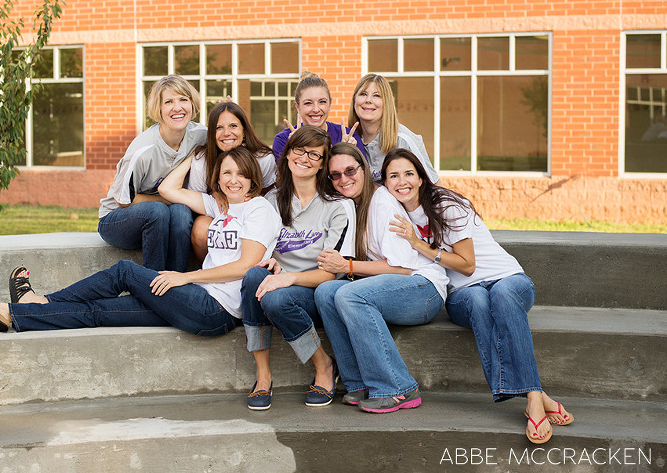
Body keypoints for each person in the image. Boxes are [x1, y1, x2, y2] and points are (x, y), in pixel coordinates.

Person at [0, 147, 281, 341]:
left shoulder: (259, 210)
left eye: (240, 173)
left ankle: (38, 300)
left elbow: (245, 265)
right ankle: (12, 315)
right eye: (226, 173)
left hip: (215, 309)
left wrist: (184, 277)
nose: (233, 179)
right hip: (192, 300)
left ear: (253, 177)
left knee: (125, 271)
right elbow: (168, 189)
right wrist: (192, 155)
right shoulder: (220, 204)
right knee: (99, 312)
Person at [385, 148, 574, 443]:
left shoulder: (446, 204)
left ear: (421, 177)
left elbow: (468, 265)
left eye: (408, 173)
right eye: (393, 175)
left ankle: (534, 399)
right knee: (477, 300)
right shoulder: (393, 212)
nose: (401, 181)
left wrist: (419, 244)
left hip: (508, 279)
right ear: (385, 183)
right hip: (463, 294)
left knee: (500, 294)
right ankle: (536, 393)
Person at [313, 142, 447, 413]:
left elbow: (402, 268)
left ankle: (398, 388)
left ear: (364, 169)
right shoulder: (352, 205)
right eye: (335, 175)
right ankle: (359, 383)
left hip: (424, 289)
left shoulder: (382, 202)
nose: (343, 179)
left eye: (350, 170)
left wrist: (348, 266)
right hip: (396, 288)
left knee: (349, 294)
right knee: (325, 292)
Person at [241, 126, 356, 410]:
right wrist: (271, 261)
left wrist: (289, 278)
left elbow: (331, 272)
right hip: (276, 282)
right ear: (288, 154)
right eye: (298, 150)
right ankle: (264, 375)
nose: (304, 158)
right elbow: (261, 249)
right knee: (254, 275)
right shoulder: (270, 201)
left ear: (322, 163)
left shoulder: (337, 207)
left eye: (314, 154)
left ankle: (324, 365)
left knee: (276, 296)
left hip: (315, 291)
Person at [97, 75, 206, 272]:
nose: (178, 107)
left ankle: (176, 283)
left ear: (192, 104)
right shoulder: (143, 149)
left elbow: (230, 141)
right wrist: (171, 197)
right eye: (169, 102)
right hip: (118, 219)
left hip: (164, 218)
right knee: (160, 211)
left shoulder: (200, 135)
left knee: (181, 212)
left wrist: (229, 112)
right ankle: (151, 284)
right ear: (159, 109)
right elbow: (123, 200)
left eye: (183, 100)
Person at [188, 101, 276, 259]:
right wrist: (216, 193)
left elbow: (270, 192)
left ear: (244, 129)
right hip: (219, 212)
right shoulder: (202, 160)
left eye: (233, 126)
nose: (226, 133)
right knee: (201, 229)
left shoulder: (263, 158)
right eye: (219, 127)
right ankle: (212, 269)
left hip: (251, 212)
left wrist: (252, 197)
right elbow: (196, 199)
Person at [347, 73, 438, 184]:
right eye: (363, 94)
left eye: (376, 95)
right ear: (354, 100)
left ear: (387, 103)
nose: (368, 100)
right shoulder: (350, 140)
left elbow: (434, 185)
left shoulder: (404, 139)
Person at [271, 71, 367, 162]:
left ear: (330, 104)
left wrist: (347, 155)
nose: (316, 109)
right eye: (308, 103)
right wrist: (295, 149)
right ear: (297, 107)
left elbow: (363, 176)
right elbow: (283, 178)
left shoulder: (348, 137)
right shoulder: (283, 140)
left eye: (322, 102)